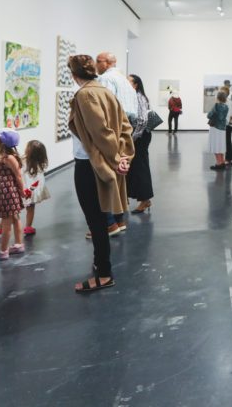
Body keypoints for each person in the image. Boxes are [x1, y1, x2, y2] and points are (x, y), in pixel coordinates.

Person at [68, 54, 134, 292]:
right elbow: (125, 127)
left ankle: (104, 274)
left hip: (90, 165)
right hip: (101, 163)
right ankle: (100, 264)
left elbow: (101, 133)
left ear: (74, 74)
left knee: (95, 221)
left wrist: (117, 159)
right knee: (98, 219)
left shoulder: (85, 95)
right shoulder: (106, 91)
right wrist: (125, 156)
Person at [95, 51, 137, 232]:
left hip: (114, 130)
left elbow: (105, 109)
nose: (96, 64)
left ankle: (109, 222)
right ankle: (120, 220)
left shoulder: (106, 80)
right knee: (120, 175)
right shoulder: (125, 81)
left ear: (107, 63)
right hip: (126, 131)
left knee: (106, 176)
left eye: (98, 61)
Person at [0, 129, 27, 261]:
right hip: (5, 192)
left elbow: (19, 176)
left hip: (8, 193)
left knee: (6, 222)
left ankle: (3, 251)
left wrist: (22, 191)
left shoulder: (8, 158)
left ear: (3, 142)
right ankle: (19, 245)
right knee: (14, 218)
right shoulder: (3, 155)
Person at [127, 74, 154, 214]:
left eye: (128, 81)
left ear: (136, 84)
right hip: (138, 135)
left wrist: (134, 137)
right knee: (135, 167)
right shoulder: (133, 96)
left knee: (140, 167)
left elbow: (142, 120)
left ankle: (145, 200)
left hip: (140, 136)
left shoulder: (138, 97)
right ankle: (139, 198)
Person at [22, 140, 50, 235]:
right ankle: (28, 227)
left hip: (23, 190)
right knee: (30, 209)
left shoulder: (22, 160)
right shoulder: (40, 163)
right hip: (33, 191)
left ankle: (2, 226)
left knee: (14, 209)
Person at [207, 90, 229, 170]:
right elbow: (222, 117)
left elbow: (209, 115)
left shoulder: (216, 105)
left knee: (215, 145)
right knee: (220, 145)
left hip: (215, 127)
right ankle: (222, 162)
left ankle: (218, 163)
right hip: (222, 128)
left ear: (218, 97)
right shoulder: (226, 106)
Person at [223, 81, 232, 167]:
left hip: (228, 125)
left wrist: (227, 124)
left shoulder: (228, 102)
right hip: (228, 124)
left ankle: (228, 159)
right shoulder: (228, 101)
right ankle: (228, 159)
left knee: (227, 142)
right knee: (227, 142)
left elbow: (229, 114)